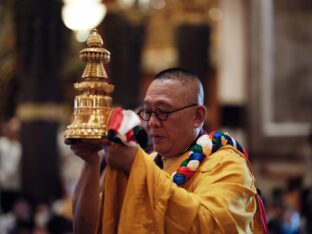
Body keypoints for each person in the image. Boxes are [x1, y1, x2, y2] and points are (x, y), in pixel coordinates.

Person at [66, 68, 267, 234]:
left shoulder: (227, 163)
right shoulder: (148, 162)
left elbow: (209, 226)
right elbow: (90, 229)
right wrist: (91, 162)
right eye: (147, 112)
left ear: (197, 116)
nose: (152, 123)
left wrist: (135, 164)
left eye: (163, 112)